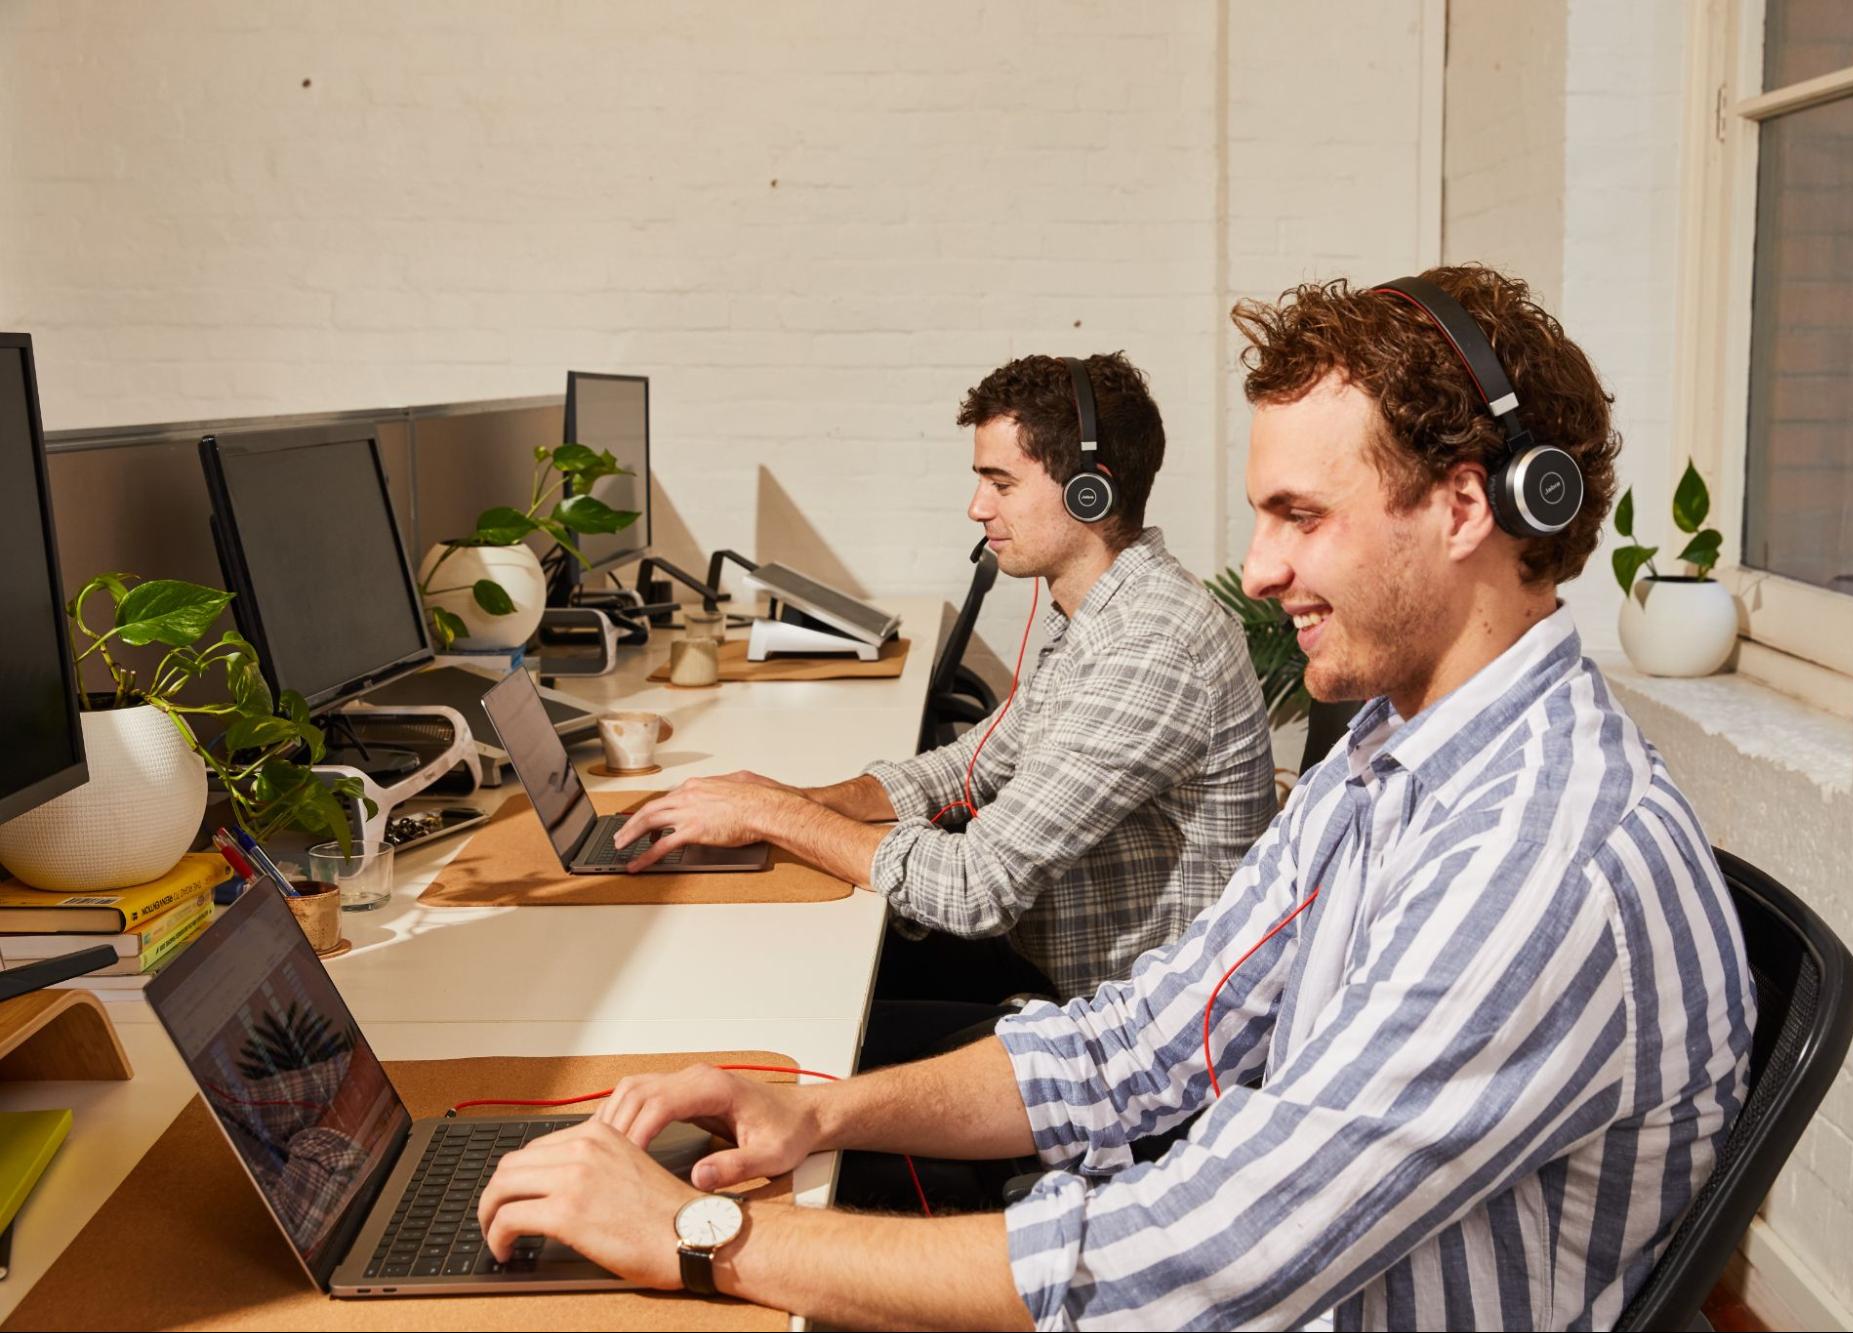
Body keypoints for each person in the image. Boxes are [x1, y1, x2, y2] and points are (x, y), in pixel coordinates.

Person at [478, 266, 1756, 1329]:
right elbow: (1143, 1042)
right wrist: (818, 1110)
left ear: (1471, 503)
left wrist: (709, 1238)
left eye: (1299, 518)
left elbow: (1208, 1250)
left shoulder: (1536, 860)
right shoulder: (1384, 761)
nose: (1257, 570)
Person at [614, 352, 1277, 1010]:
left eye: (1001, 484)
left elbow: (974, 886)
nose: (976, 507)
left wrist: (779, 817)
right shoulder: (1098, 615)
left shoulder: (1147, 647)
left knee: (786, 996)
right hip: (1036, 959)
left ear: (1089, 491)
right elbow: (969, 769)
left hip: (1108, 1026)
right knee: (777, 949)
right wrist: (790, 799)